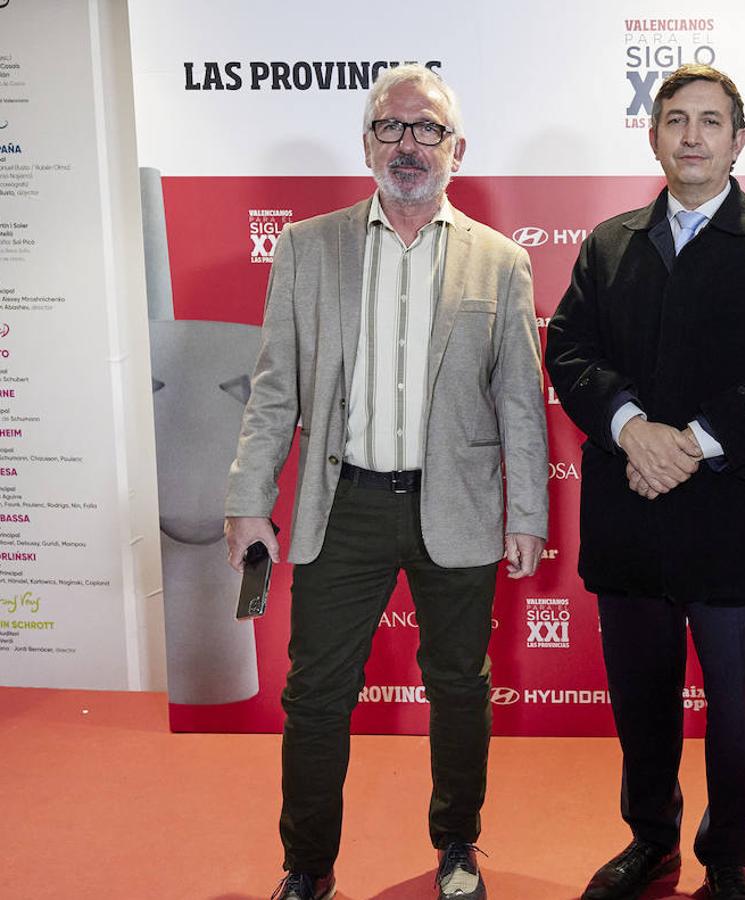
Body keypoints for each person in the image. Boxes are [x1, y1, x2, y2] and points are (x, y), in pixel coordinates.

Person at [223, 63, 548, 900]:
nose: (409, 144)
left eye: (427, 128)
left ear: (457, 148)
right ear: (366, 143)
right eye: (391, 127)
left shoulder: (502, 261)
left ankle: (457, 847)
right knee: (317, 692)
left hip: (460, 506)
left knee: (459, 687)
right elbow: (274, 388)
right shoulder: (306, 247)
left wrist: (528, 512)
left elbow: (519, 398)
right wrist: (246, 498)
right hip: (345, 506)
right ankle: (307, 867)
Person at [545, 64, 745, 900]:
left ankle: (729, 857)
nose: (693, 137)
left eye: (711, 122)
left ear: (738, 141)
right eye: (677, 120)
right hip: (630, 519)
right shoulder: (608, 245)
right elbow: (567, 351)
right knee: (642, 705)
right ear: (654, 135)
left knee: (738, 714)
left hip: (732, 526)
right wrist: (632, 429)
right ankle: (651, 840)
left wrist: (697, 442)